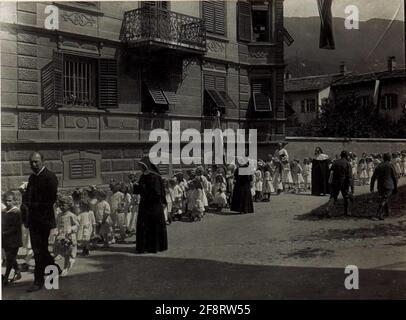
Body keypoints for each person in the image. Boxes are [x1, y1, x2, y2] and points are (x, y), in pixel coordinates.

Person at [23, 152, 60, 292]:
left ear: (43, 161)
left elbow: (49, 200)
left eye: (36, 162)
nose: (33, 164)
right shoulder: (32, 178)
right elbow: (28, 197)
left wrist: (33, 206)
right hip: (33, 220)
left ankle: (38, 281)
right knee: (41, 250)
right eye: (31, 162)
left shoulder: (50, 177)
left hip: (44, 220)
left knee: (39, 251)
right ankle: (55, 269)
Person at [133, 157, 168, 253]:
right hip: (145, 205)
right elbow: (139, 190)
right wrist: (135, 185)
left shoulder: (155, 177)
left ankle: (154, 247)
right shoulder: (143, 176)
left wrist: (143, 190)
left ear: (146, 166)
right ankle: (145, 247)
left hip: (153, 206)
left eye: (141, 166)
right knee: (145, 226)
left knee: (153, 226)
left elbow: (157, 193)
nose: (140, 168)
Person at [53, 196, 79, 277]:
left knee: (67, 253)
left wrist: (71, 229)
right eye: (60, 204)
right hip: (60, 236)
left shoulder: (71, 215)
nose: (61, 206)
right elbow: (57, 224)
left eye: (63, 204)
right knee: (57, 252)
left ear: (68, 205)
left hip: (68, 237)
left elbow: (77, 225)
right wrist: (56, 231)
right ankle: (64, 263)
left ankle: (65, 268)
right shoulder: (59, 215)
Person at [2, 191, 22, 286]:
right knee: (10, 257)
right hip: (5, 239)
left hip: (14, 239)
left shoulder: (16, 212)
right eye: (6, 201)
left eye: (9, 201)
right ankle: (18, 271)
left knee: (10, 258)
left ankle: (6, 278)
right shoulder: (3, 211)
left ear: (14, 201)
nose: (7, 203)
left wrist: (5, 232)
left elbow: (16, 227)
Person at [370, 153, 398, 221]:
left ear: (383, 158)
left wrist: (372, 187)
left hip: (380, 186)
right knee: (384, 199)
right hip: (389, 185)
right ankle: (377, 215)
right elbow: (394, 177)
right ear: (389, 158)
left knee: (384, 198)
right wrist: (395, 187)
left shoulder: (379, 165)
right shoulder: (391, 165)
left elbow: (373, 177)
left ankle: (387, 212)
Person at [326, 151, 354, 217]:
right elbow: (350, 177)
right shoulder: (347, 164)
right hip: (344, 183)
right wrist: (352, 187)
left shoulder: (335, 162)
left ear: (341, 155)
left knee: (333, 196)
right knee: (346, 197)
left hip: (335, 182)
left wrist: (330, 182)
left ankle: (329, 209)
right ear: (346, 156)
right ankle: (347, 212)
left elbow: (331, 173)